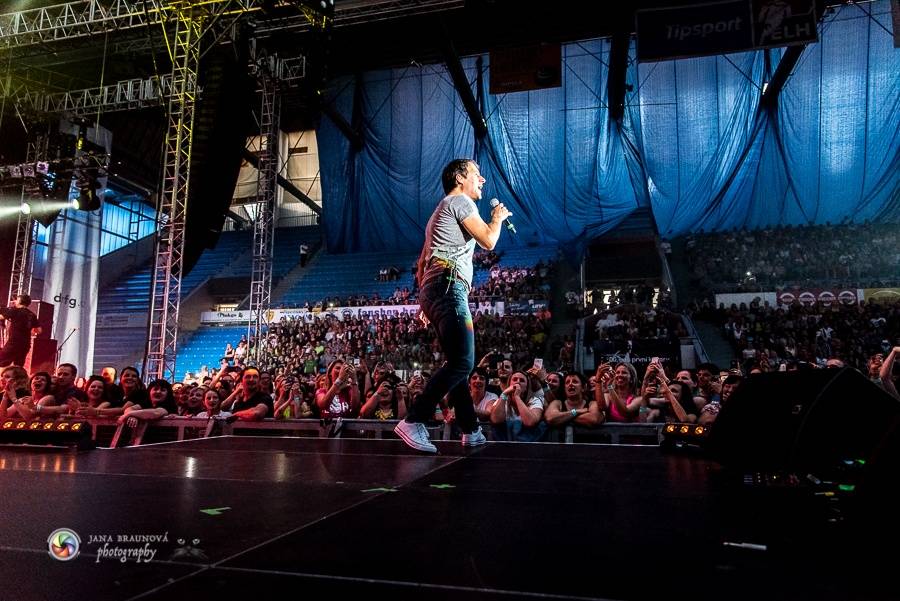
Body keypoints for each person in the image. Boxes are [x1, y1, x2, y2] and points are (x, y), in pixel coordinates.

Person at [394, 158, 512, 453]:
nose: (482, 180)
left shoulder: (438, 213)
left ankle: (471, 430)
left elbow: (422, 260)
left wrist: (426, 299)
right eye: (476, 174)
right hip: (449, 285)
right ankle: (413, 420)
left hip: (435, 287)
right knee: (463, 363)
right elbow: (487, 240)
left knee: (455, 363)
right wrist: (496, 218)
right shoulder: (460, 201)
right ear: (460, 178)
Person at [0, 294, 41, 368]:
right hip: (25, 345)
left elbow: (1, 317)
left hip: (13, 343)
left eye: (17, 299)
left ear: (20, 301)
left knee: (1, 360)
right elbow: (39, 330)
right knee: (18, 366)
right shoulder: (32, 314)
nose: (15, 301)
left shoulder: (15, 311)